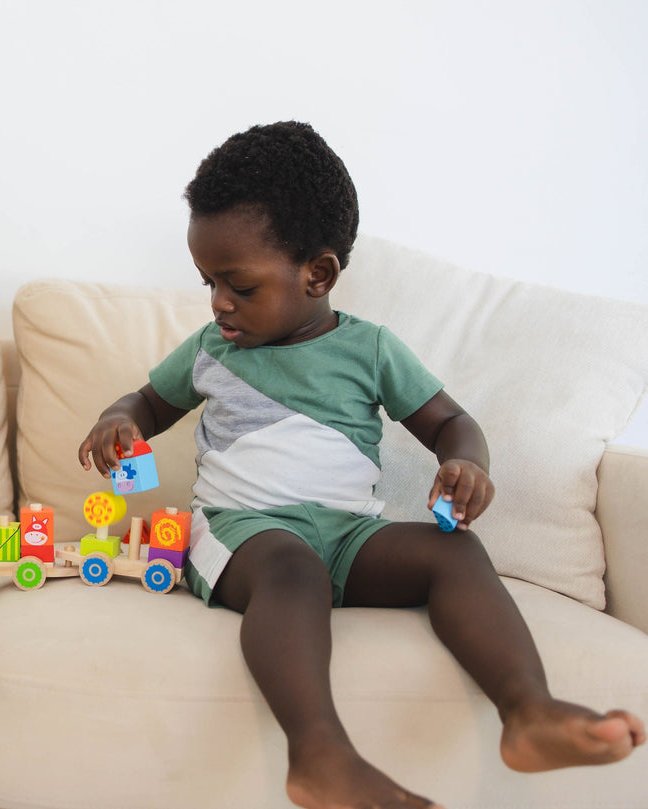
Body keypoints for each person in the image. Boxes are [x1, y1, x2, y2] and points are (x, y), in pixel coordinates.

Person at [76, 121, 645, 809]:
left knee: (456, 552)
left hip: (349, 535)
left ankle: (528, 713)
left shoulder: (371, 348)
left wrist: (466, 462)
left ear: (318, 274)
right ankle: (320, 757)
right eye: (208, 282)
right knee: (292, 568)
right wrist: (119, 421)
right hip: (245, 533)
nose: (219, 302)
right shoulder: (210, 349)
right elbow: (146, 403)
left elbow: (452, 423)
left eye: (238, 285)